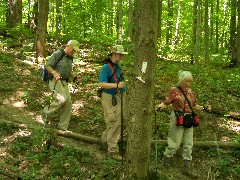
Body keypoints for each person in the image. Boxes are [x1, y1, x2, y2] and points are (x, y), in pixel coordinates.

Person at [155, 70, 211, 178]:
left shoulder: (190, 92)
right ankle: (166, 161)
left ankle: (186, 168)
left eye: (190, 81)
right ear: (181, 80)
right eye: (186, 81)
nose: (188, 84)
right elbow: (166, 102)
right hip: (178, 117)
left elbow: (194, 105)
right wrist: (158, 108)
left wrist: (204, 108)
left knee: (189, 143)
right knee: (175, 142)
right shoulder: (174, 90)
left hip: (189, 118)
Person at [42, 40, 81, 132]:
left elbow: (69, 71)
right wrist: (54, 73)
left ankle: (62, 127)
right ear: (68, 46)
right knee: (61, 99)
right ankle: (45, 113)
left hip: (64, 82)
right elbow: (47, 65)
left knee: (68, 103)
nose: (73, 52)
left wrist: (75, 77)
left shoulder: (70, 58)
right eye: (73, 49)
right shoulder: (59, 53)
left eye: (75, 50)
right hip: (55, 80)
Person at [98, 45, 128, 161]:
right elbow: (101, 83)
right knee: (114, 122)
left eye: (121, 55)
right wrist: (116, 85)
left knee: (124, 120)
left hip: (120, 96)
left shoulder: (118, 67)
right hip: (110, 97)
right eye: (118, 54)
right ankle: (112, 150)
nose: (120, 56)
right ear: (112, 54)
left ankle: (106, 138)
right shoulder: (106, 67)